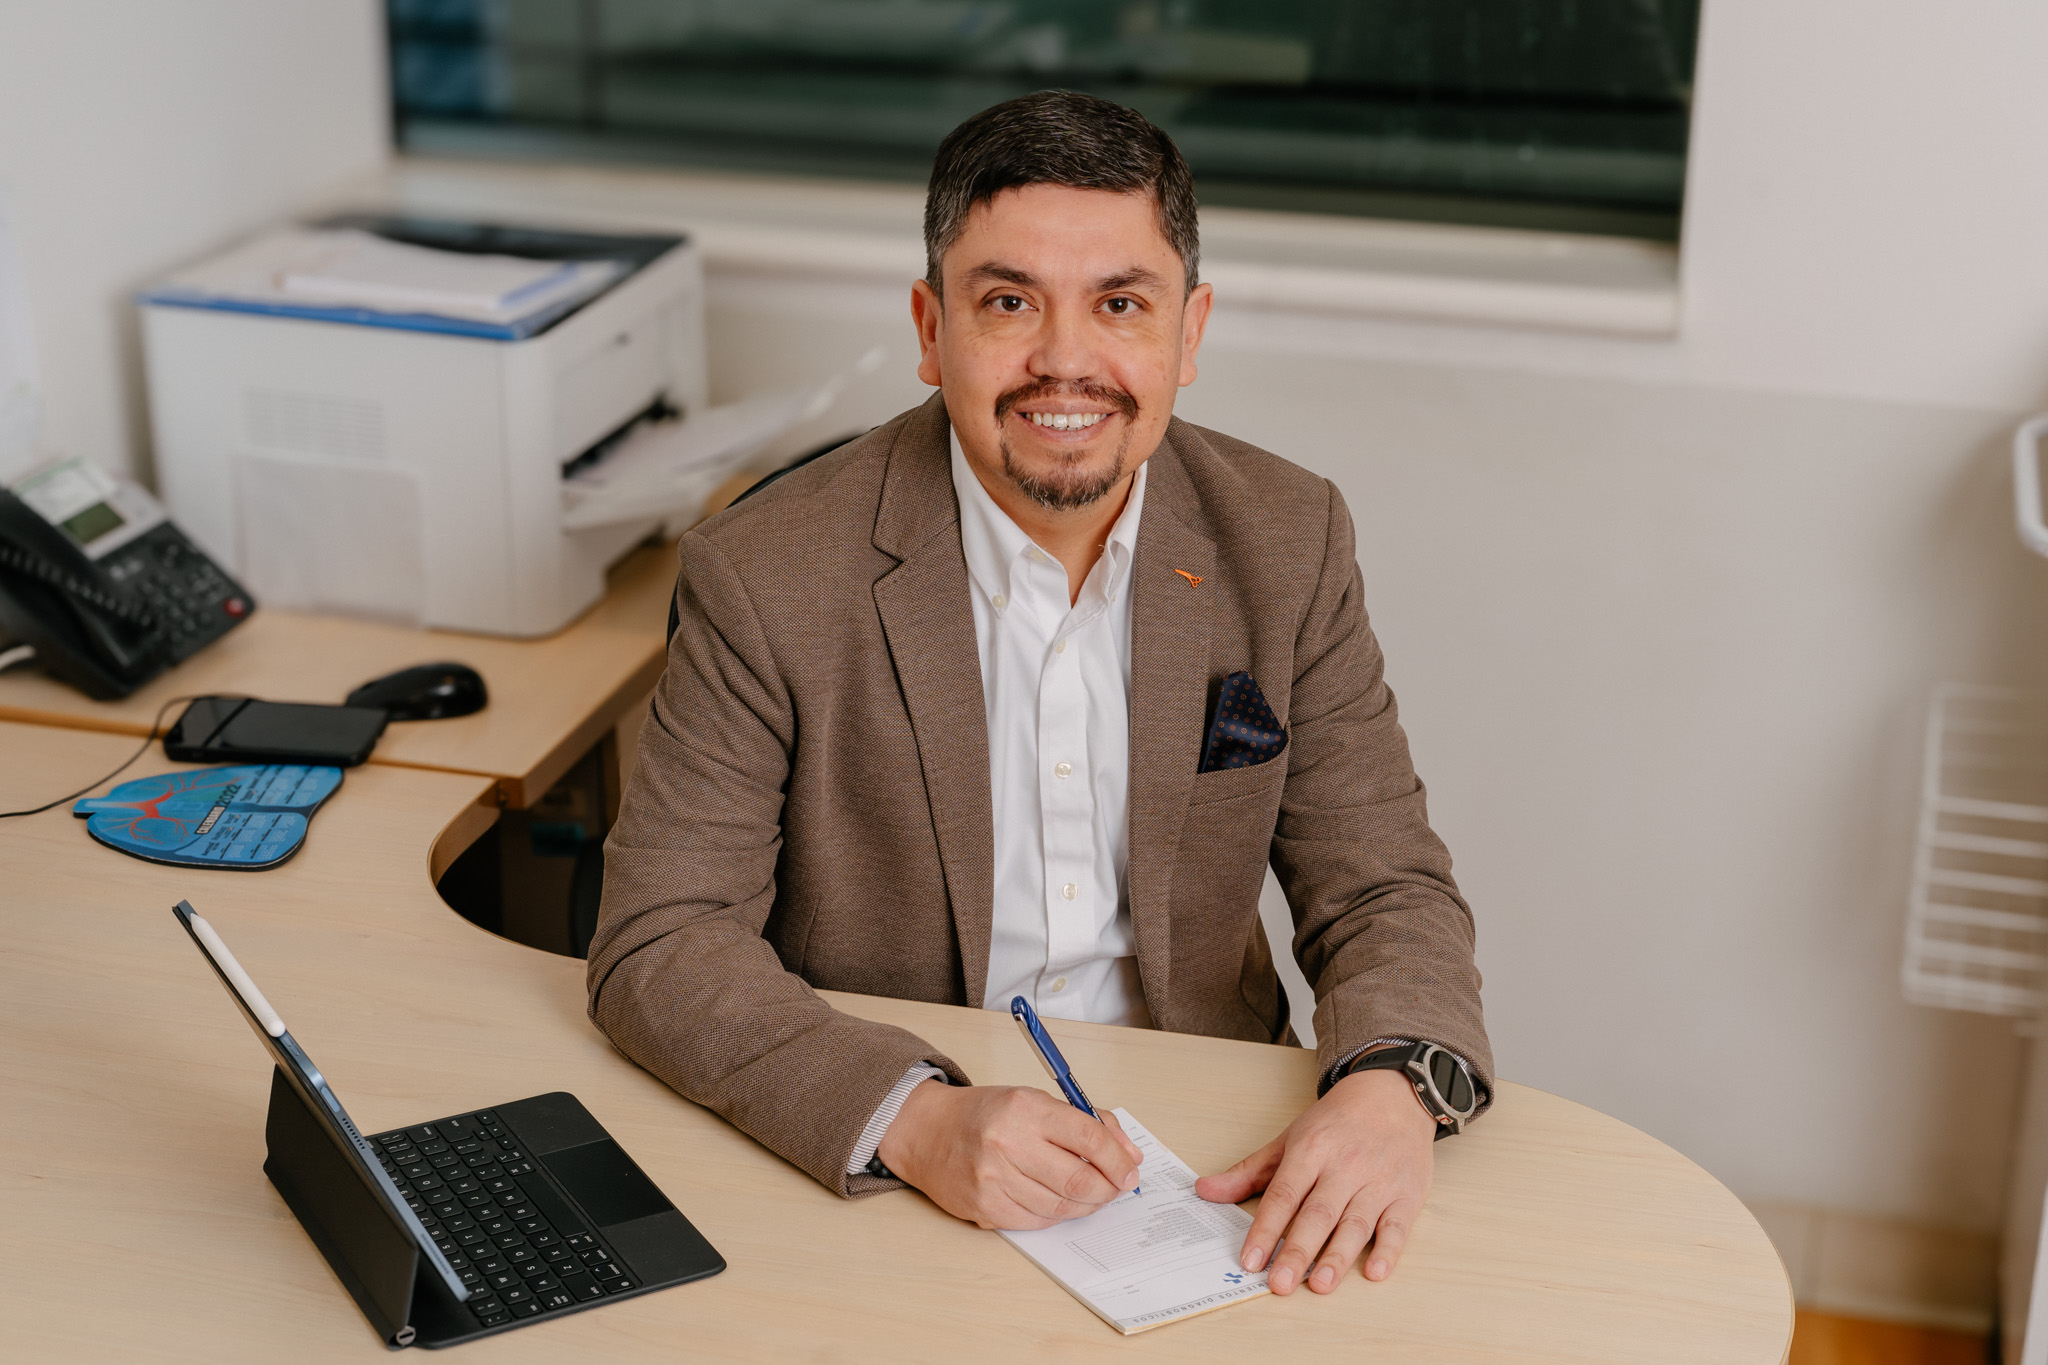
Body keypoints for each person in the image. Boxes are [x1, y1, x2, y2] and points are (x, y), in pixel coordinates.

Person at [589, 90, 1491, 1299]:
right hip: (901, 1156)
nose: (1065, 360)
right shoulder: (763, 573)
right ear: (931, 328)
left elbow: (1381, 884)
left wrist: (1387, 1087)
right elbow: (661, 938)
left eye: (1119, 304)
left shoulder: (1287, 539)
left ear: (1186, 332)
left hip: (1206, 1154)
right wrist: (909, 1117)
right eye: (1008, 302)